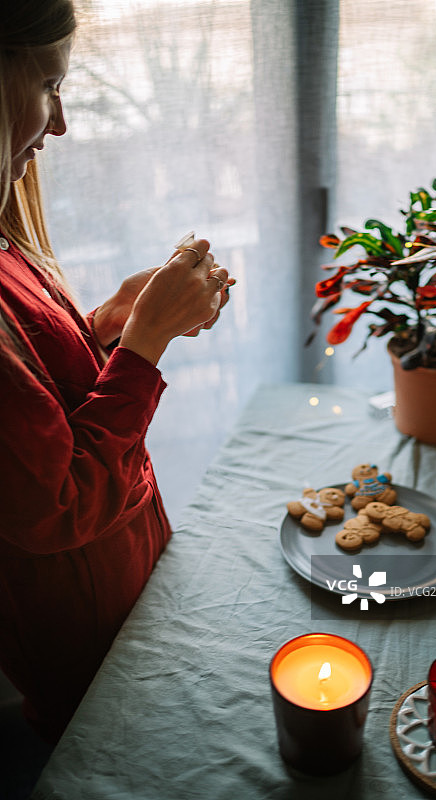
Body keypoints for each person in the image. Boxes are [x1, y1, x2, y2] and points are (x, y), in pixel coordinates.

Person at [0, 0, 233, 745]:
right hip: (76, 620)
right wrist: (146, 344)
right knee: (119, 752)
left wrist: (106, 326)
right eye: (49, 87)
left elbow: (42, 400)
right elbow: (58, 501)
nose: (60, 124)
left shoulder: (5, 248)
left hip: (116, 577)